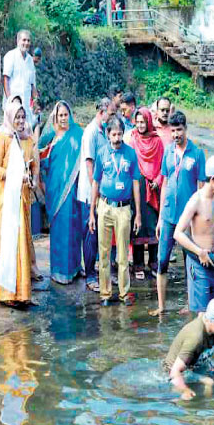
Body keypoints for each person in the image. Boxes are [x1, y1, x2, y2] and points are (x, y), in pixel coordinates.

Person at [151, 111, 206, 316]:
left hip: (188, 218)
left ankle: (191, 303)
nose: (175, 134)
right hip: (167, 216)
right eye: (172, 131)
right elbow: (164, 182)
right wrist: (159, 218)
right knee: (162, 260)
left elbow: (201, 189)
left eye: (179, 130)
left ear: (185, 129)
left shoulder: (197, 153)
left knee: (189, 261)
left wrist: (198, 219)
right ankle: (162, 306)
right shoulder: (168, 151)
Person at [89, 116, 142, 306]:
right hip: (104, 206)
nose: (117, 138)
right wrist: (92, 213)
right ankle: (105, 294)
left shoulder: (131, 154)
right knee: (103, 253)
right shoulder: (102, 153)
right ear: (108, 134)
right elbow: (95, 182)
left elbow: (136, 183)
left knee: (122, 254)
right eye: (114, 134)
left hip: (124, 209)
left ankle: (123, 293)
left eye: (120, 134)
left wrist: (138, 214)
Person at [0, 98, 37, 308]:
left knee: (22, 246)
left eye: (22, 117)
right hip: (7, 199)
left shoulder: (25, 138)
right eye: (16, 117)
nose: (20, 121)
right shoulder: (3, 138)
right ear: (9, 117)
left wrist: (30, 177)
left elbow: (32, 164)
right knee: (10, 245)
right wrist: (16, 175)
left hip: (23, 197)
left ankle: (23, 294)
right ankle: (7, 294)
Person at [174, 156, 214, 314]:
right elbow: (177, 233)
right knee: (202, 314)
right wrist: (200, 252)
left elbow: (208, 221)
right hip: (199, 263)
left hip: (212, 260)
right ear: (213, 179)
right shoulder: (196, 200)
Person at [39, 101, 83, 285]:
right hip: (55, 190)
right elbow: (38, 157)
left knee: (73, 228)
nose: (63, 118)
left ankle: (73, 268)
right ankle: (59, 271)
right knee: (59, 231)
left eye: (66, 114)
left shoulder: (78, 134)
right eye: (60, 116)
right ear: (55, 118)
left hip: (72, 189)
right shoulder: (50, 137)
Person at [77, 98, 113, 292]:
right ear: (102, 112)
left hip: (99, 191)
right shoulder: (91, 133)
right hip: (90, 193)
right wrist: (96, 191)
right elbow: (89, 164)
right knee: (90, 234)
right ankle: (90, 275)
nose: (112, 117)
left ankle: (99, 271)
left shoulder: (102, 132)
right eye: (111, 113)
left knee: (99, 233)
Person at [127, 107, 163, 279]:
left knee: (153, 224)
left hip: (154, 189)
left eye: (143, 122)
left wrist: (157, 180)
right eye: (138, 122)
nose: (140, 125)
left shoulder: (157, 141)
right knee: (138, 225)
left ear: (149, 121)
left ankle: (154, 262)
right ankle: (138, 264)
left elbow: (162, 166)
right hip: (138, 187)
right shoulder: (133, 139)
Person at [3, 30, 38, 129]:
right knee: (11, 133)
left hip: (26, 105)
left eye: (28, 41)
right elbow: (5, 80)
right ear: (18, 41)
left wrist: (35, 102)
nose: (26, 43)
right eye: (24, 40)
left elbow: (32, 85)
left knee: (26, 133)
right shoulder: (10, 56)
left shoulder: (30, 60)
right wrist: (11, 101)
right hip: (13, 105)